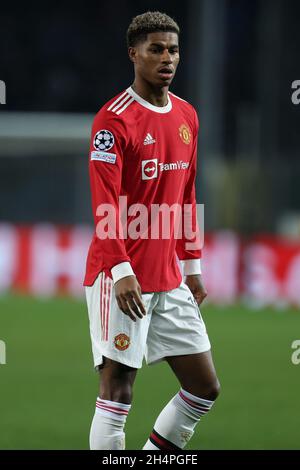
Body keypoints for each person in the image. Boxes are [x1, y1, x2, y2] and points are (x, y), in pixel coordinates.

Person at [84, 11, 220, 450]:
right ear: (133, 54)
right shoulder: (114, 120)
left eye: (174, 50)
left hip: (170, 276)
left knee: (204, 387)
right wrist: (121, 269)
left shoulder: (187, 115)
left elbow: (186, 193)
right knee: (118, 392)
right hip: (121, 276)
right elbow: (104, 202)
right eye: (156, 49)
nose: (167, 58)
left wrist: (192, 264)